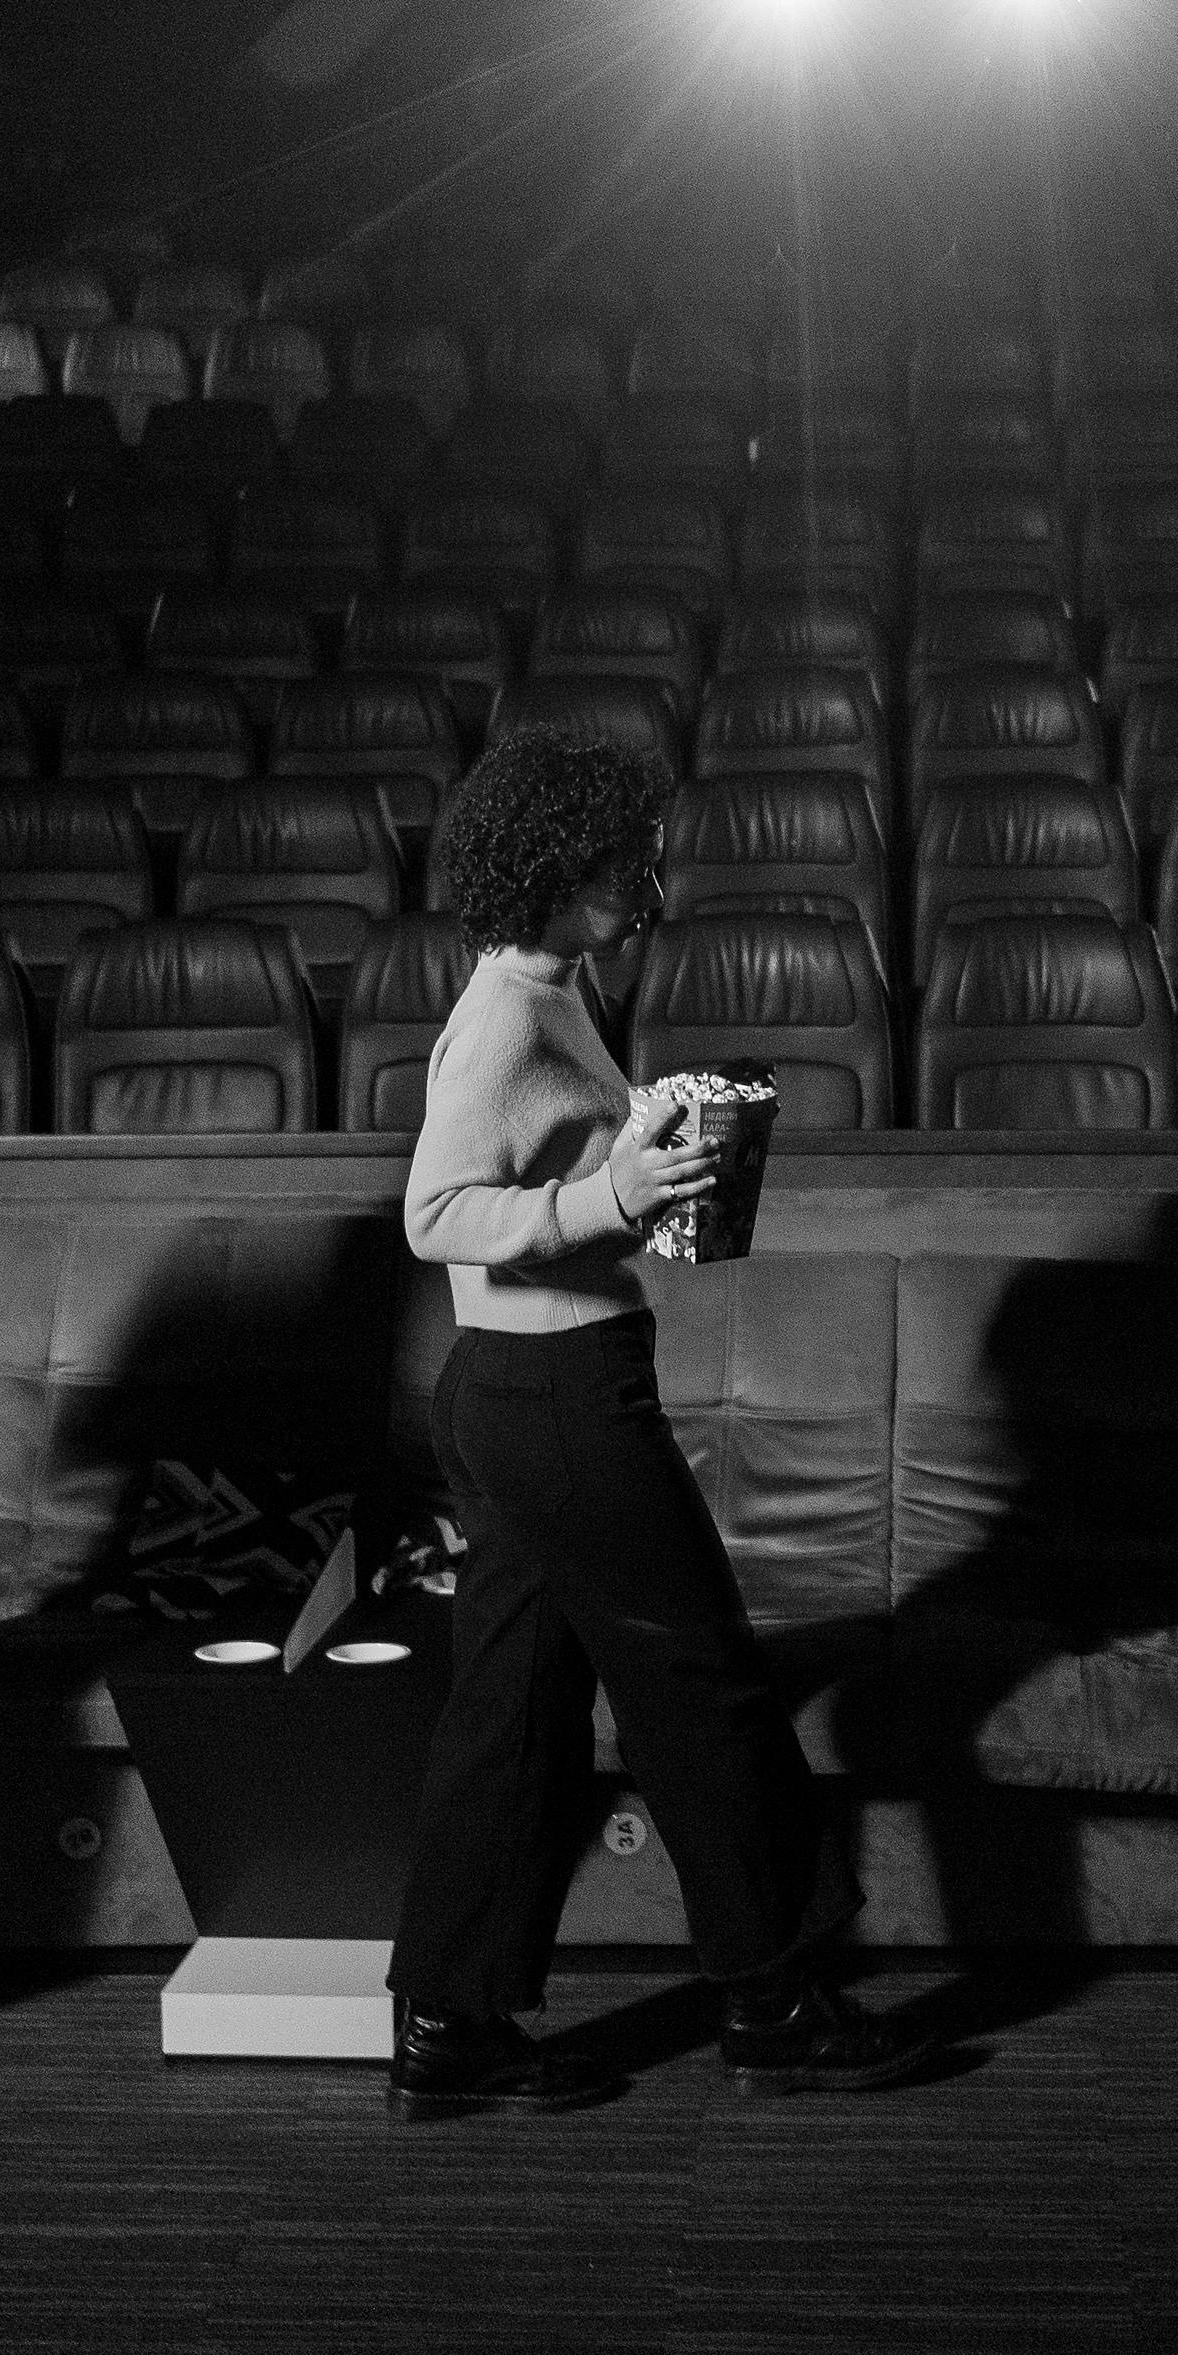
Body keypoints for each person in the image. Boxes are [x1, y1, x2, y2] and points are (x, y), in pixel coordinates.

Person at [384, 730, 939, 2116]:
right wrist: (616, 1200)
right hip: (560, 1398)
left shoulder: (544, 988)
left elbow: (559, 1161)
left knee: (511, 1712)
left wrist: (652, 1149)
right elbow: (435, 1213)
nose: (649, 883)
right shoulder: (513, 1016)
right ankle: (773, 2002)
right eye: (625, 862)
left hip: (517, 1395)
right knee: (701, 1687)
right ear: (557, 870)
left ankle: (451, 2026)